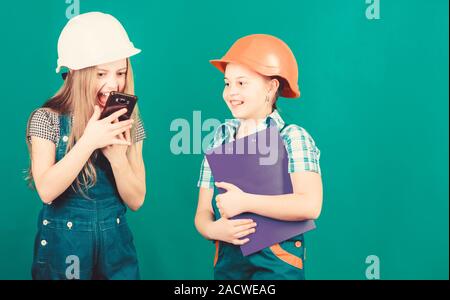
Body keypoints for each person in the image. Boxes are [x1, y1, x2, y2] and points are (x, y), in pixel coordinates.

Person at [26, 12, 146, 279]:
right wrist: (90, 141)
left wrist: (117, 158)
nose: (113, 84)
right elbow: (47, 190)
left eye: (121, 72)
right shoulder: (46, 119)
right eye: (101, 73)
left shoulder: (130, 122)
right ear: (75, 74)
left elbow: (137, 199)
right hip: (64, 252)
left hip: (116, 250)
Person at [195, 34, 323, 280]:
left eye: (242, 83)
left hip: (278, 263)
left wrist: (245, 202)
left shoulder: (292, 137)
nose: (231, 92)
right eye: (227, 83)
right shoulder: (219, 138)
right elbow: (202, 212)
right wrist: (213, 228)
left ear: (271, 87)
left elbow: (310, 204)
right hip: (228, 261)